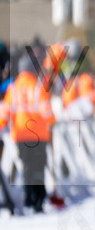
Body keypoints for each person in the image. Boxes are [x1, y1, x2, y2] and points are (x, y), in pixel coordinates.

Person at [0, 53, 56, 213]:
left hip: (20, 134)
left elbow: (5, 112)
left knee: (26, 166)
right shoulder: (39, 87)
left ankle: (29, 198)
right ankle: (39, 199)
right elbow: (47, 113)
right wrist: (52, 123)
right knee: (39, 166)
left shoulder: (13, 88)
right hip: (39, 134)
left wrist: (1, 125)